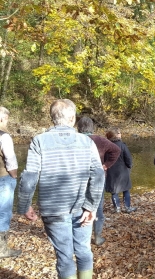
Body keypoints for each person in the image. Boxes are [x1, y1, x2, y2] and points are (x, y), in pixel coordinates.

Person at [17, 99, 104, 279]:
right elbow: (98, 175)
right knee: (83, 250)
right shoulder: (86, 142)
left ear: (52, 118)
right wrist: (92, 207)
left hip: (53, 209)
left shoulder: (39, 141)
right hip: (81, 206)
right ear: (72, 118)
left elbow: (29, 178)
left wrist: (25, 206)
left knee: (64, 256)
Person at [77, 117, 120, 246]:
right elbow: (116, 150)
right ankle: (97, 237)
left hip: (78, 178)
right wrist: (106, 165)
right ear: (92, 127)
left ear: (78, 127)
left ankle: (81, 237)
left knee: (79, 206)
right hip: (98, 178)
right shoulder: (100, 139)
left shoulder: (74, 138)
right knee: (97, 207)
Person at [0, 107, 21, 259]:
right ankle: (2, 250)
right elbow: (10, 160)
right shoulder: (4, 136)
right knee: (4, 213)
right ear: (3, 119)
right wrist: (14, 176)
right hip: (3, 178)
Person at [105, 128, 137, 213]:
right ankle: (127, 207)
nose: (121, 134)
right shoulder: (122, 145)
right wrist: (129, 167)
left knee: (114, 191)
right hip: (123, 171)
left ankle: (117, 208)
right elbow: (128, 159)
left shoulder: (107, 146)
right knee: (126, 189)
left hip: (111, 171)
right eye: (119, 133)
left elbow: (104, 159)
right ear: (116, 135)